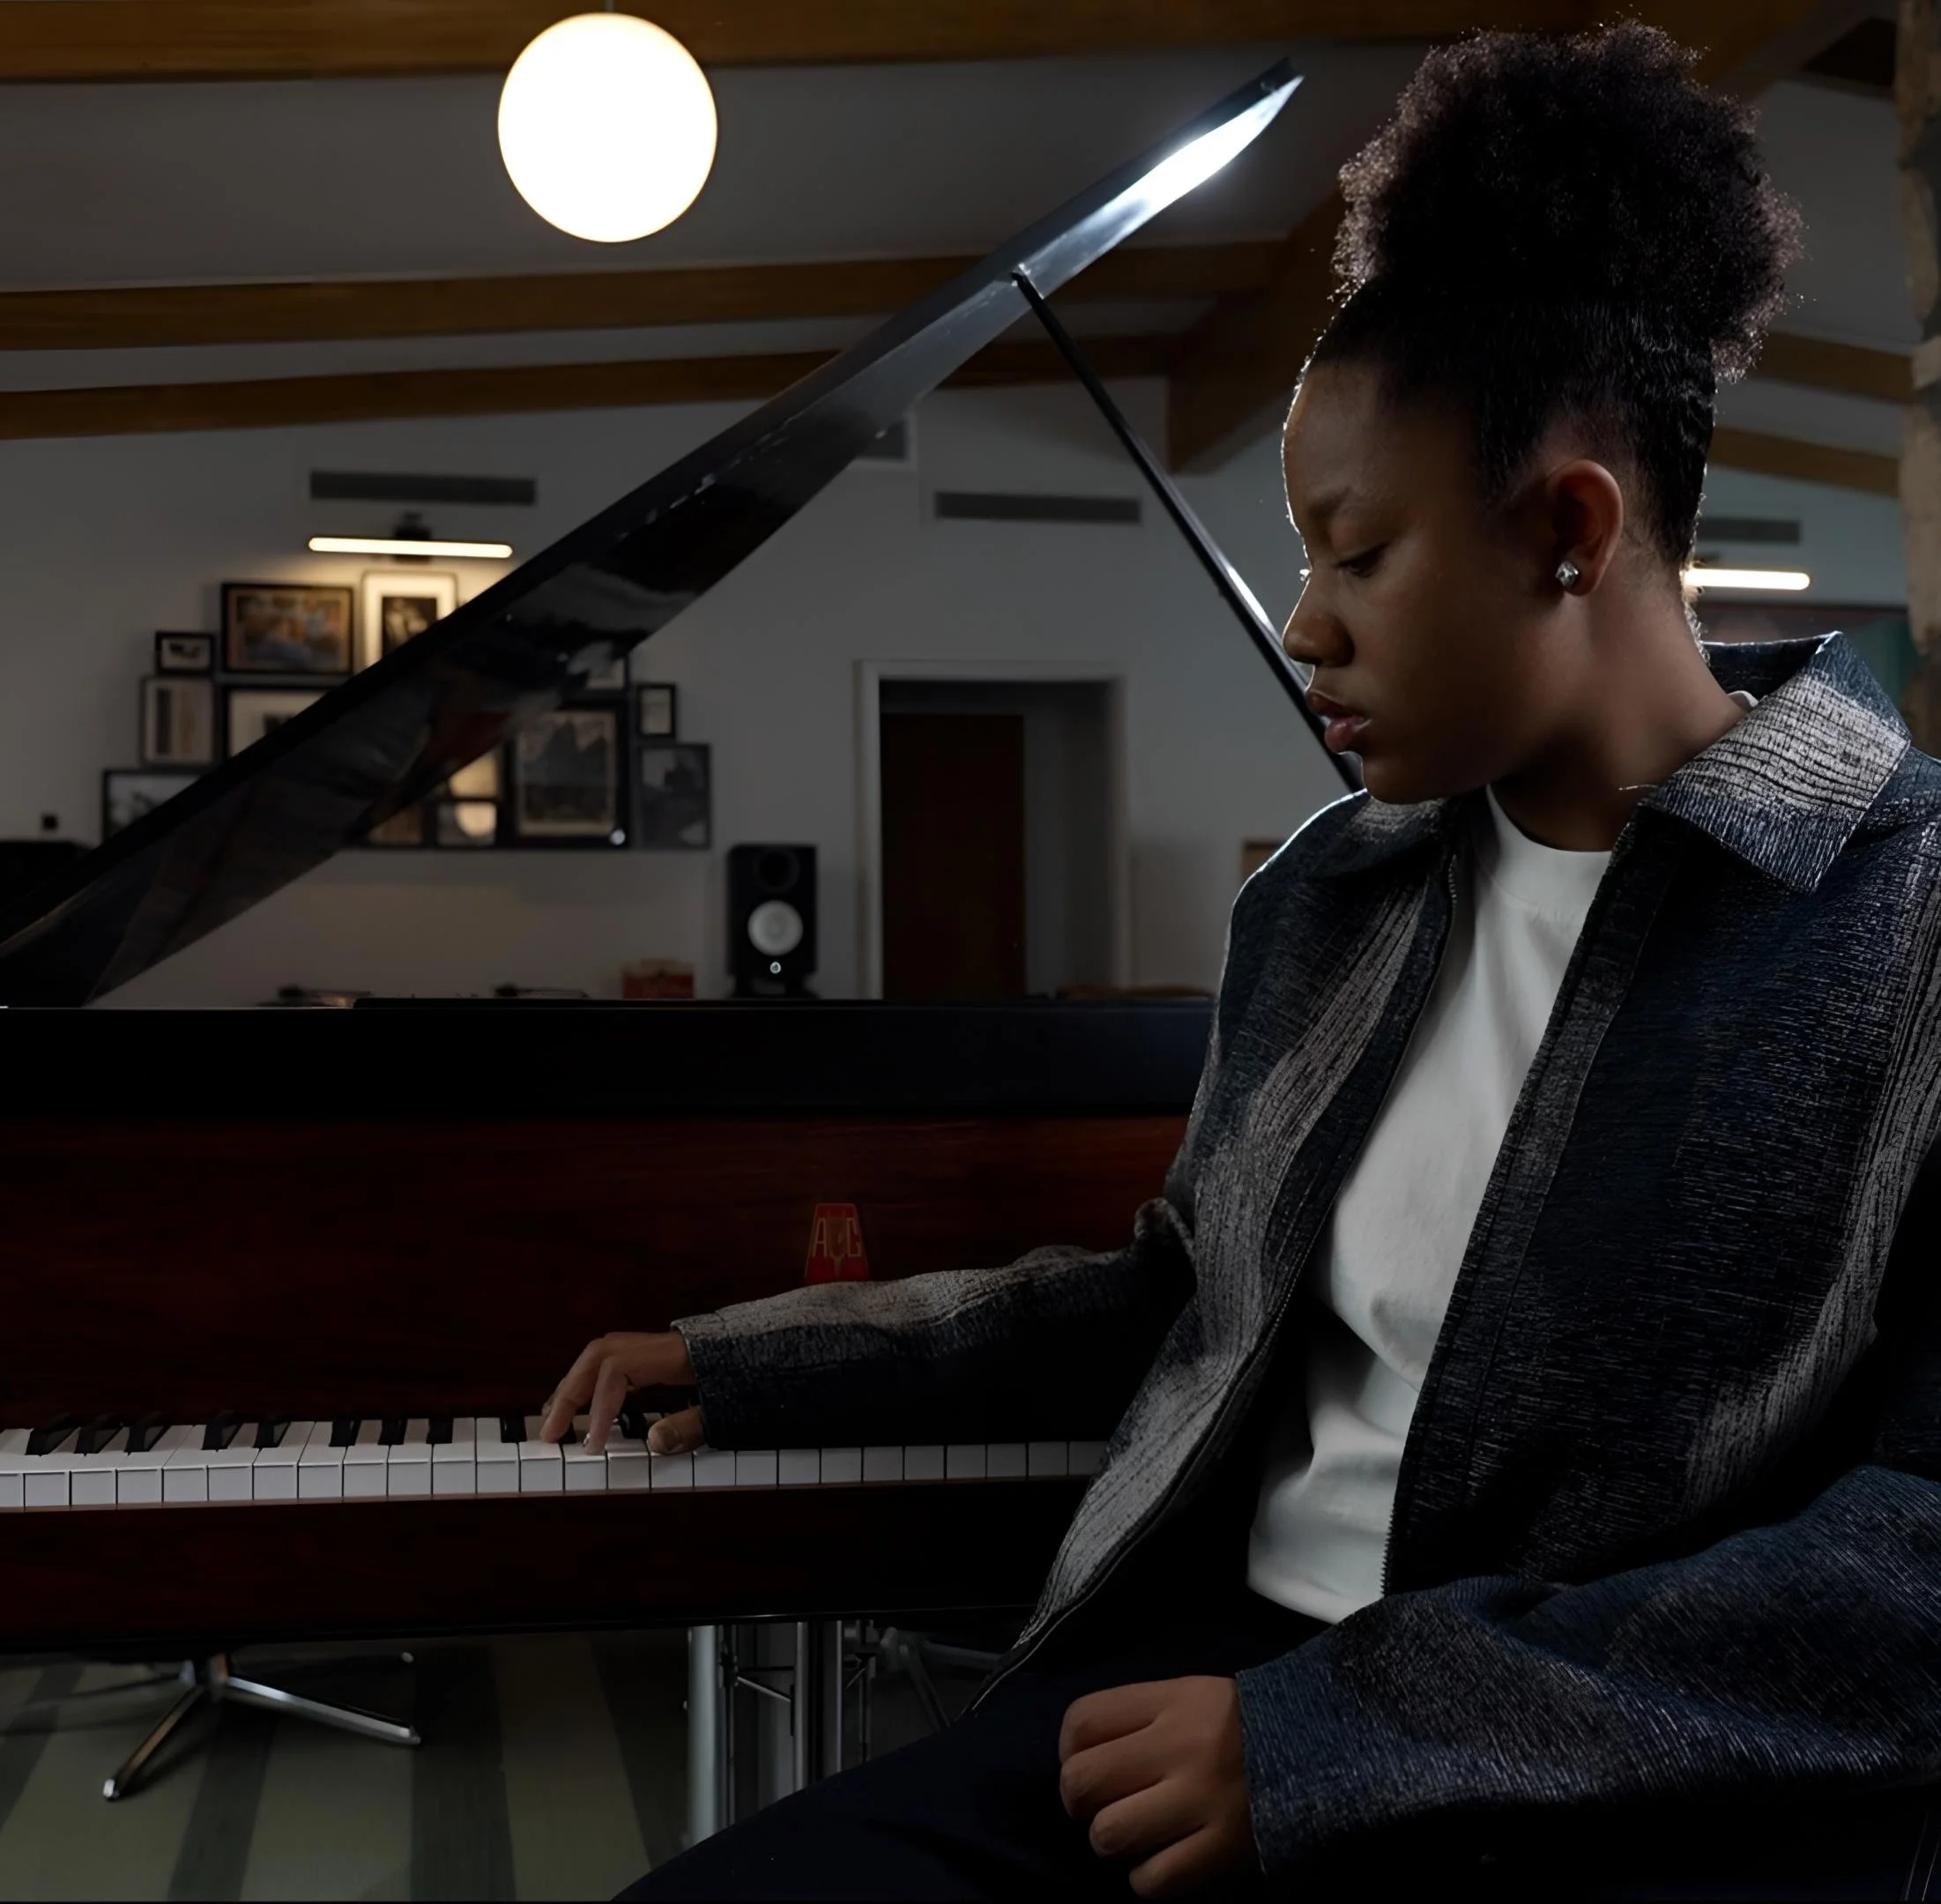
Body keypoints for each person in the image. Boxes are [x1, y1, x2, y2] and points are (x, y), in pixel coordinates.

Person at [541, 24, 1941, 1900]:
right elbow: (1187, 1302)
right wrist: (780, 1364)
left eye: (1355, 555)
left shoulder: (1909, 915)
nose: (1303, 625)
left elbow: (1915, 1568)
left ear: (1570, 529)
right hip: (1203, 1702)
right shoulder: (1328, 901)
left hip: (1603, 1814)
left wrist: (1336, 1739)